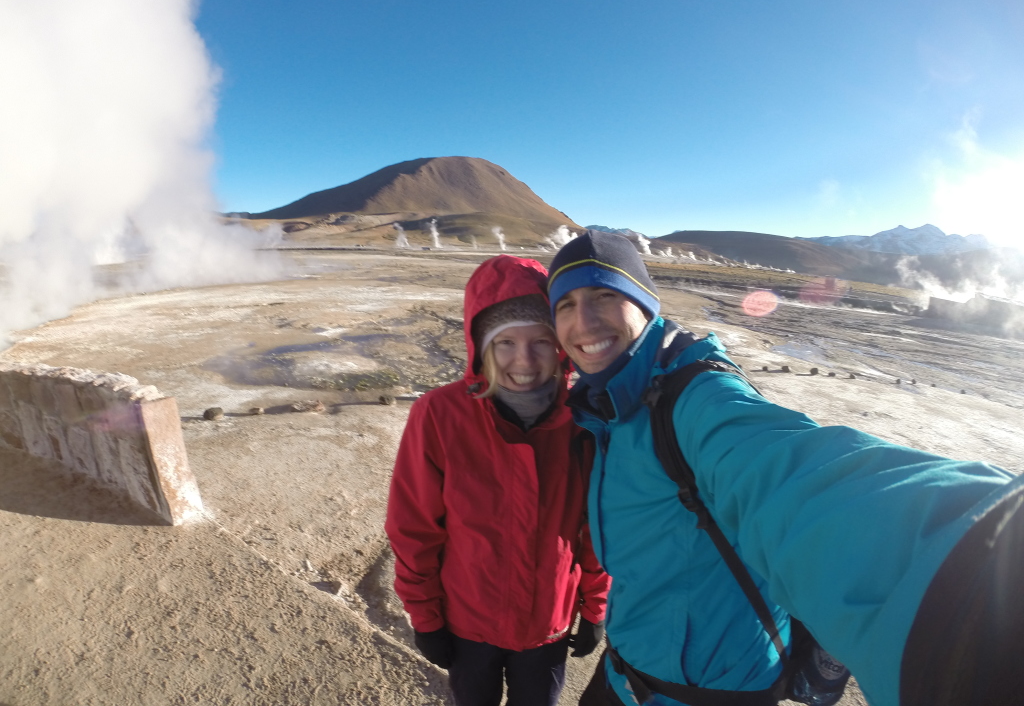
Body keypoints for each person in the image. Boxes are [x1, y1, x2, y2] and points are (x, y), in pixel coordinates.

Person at [545, 229, 1024, 706]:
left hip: (711, 695)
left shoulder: (696, 402)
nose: (584, 322)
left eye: (606, 295)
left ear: (646, 305)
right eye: (566, 305)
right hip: (623, 675)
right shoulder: (604, 413)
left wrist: (979, 552)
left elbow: (792, 477)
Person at [385, 253, 611, 706]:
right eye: (504, 342)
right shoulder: (440, 415)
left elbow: (598, 524)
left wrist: (595, 606)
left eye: (540, 342)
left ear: (560, 345)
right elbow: (414, 528)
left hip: (547, 624)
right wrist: (425, 618)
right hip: (467, 623)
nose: (523, 360)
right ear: (481, 346)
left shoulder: (586, 419)